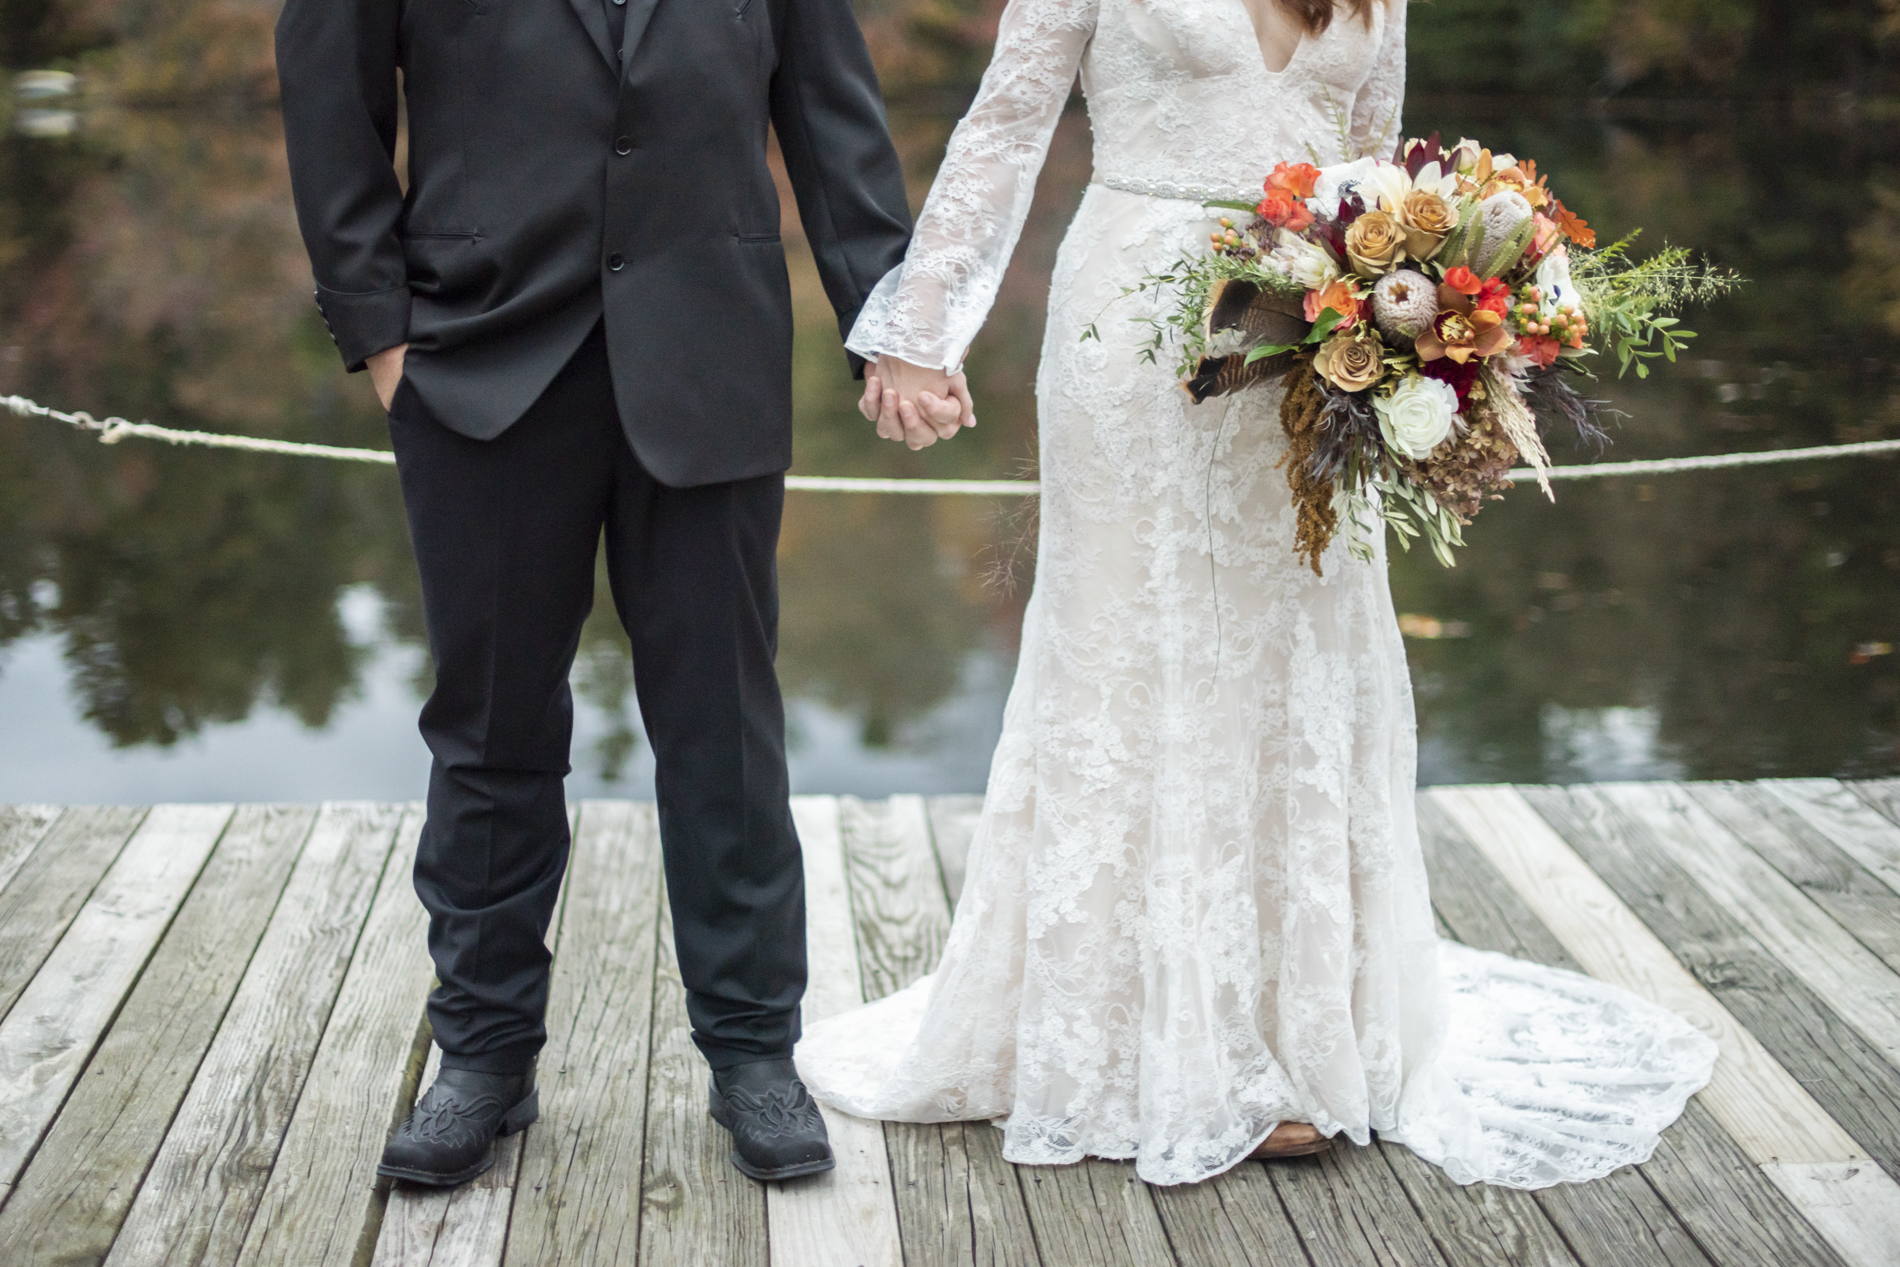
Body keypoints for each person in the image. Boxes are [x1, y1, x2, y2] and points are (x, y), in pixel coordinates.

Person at [800, 0, 1720, 1186]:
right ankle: (1140, 1033)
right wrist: (919, 330)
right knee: (1136, 642)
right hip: (1134, 338)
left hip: (1313, 345)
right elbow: (1000, 130)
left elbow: (1390, 171)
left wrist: (1443, 332)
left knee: (1301, 654)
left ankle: (1300, 1035)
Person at [274, 0, 940, 1185]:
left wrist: (890, 324)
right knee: (489, 725)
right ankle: (482, 1058)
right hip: (476, 359)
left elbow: (834, 120)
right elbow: (330, 96)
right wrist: (380, 335)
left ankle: (751, 1054)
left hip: (711, 355)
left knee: (724, 725)